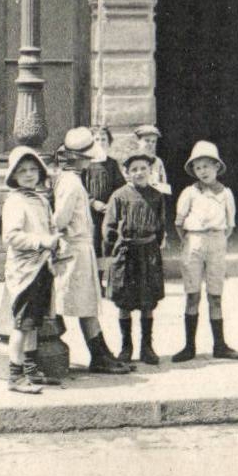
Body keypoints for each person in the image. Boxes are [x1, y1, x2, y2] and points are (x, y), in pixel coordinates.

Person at [52, 126, 133, 375]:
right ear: (78, 158)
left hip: (81, 249)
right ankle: (98, 355)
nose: (89, 162)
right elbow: (59, 220)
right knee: (82, 305)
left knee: (87, 304)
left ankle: (101, 353)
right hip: (73, 250)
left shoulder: (73, 180)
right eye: (86, 157)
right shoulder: (70, 183)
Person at [172, 140, 238, 362]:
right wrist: (190, 241)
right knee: (192, 294)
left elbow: (230, 225)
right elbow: (179, 222)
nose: (202, 171)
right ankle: (189, 347)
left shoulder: (226, 194)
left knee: (215, 295)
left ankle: (220, 345)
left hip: (216, 242)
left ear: (217, 167)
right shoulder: (189, 193)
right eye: (197, 167)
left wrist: (216, 241)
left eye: (206, 166)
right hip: (194, 242)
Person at [1, 146, 63, 395]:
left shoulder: (40, 200)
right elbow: (12, 237)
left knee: (34, 323)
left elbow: (49, 228)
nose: (28, 175)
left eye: (33, 170)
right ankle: (14, 376)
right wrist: (42, 241)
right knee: (21, 324)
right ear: (14, 176)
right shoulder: (14, 201)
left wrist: (56, 240)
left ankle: (31, 369)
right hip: (24, 272)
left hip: (42, 268)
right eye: (22, 171)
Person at [102, 149, 166, 365]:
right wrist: (116, 251)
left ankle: (147, 347)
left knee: (148, 301)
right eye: (134, 169)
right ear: (127, 173)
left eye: (143, 169)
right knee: (124, 302)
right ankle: (126, 347)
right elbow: (108, 229)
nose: (139, 173)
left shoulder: (156, 196)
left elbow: (161, 227)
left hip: (148, 254)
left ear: (150, 171)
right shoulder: (119, 196)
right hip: (126, 254)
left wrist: (154, 246)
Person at [81, 125, 123, 259]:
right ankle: (95, 279)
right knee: (93, 244)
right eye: (96, 139)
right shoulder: (85, 164)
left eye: (103, 139)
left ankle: (105, 276)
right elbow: (80, 187)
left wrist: (111, 204)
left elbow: (120, 187)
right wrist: (93, 202)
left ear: (109, 142)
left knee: (108, 243)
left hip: (108, 212)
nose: (100, 143)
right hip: (90, 213)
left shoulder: (112, 164)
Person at [132, 124, 172, 196]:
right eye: (147, 140)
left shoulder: (157, 162)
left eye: (153, 141)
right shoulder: (132, 161)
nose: (151, 144)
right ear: (138, 141)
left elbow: (164, 184)